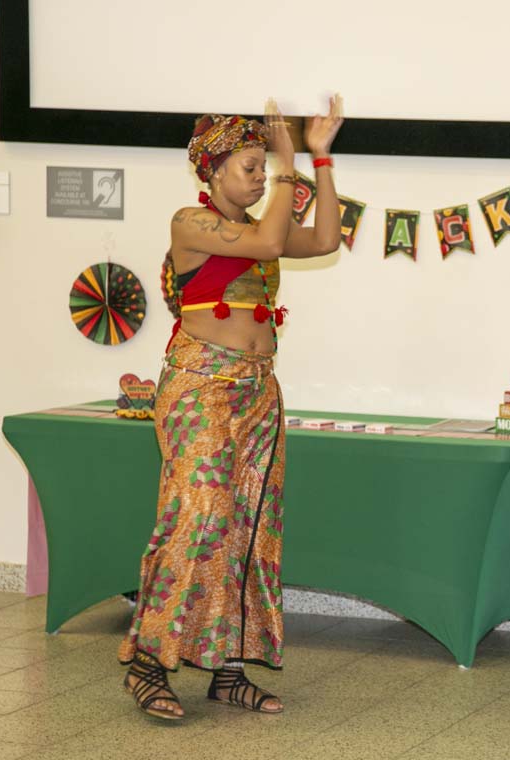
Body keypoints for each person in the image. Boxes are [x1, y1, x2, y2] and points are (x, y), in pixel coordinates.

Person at [117, 97, 344, 719]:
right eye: (250, 167)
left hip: (257, 390)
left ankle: (228, 669)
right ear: (212, 173)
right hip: (199, 385)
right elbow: (273, 234)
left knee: (250, 526)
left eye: (262, 168)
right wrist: (291, 158)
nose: (260, 177)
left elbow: (325, 238)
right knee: (198, 515)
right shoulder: (191, 222)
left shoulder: (255, 232)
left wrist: (321, 158)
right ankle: (149, 662)